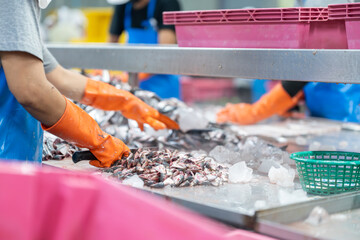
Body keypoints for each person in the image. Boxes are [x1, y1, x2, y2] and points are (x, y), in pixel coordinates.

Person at [0, 0, 179, 168]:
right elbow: (32, 90)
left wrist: (124, 100)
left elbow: (58, 76)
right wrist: (99, 141)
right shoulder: (15, 4)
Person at [217, 0, 360, 125]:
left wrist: (257, 111)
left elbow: (314, 59)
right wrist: (293, 97)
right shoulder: (302, 3)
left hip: (349, 117)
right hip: (322, 117)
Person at [108, 0, 181, 99]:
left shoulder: (166, 3)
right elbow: (110, 48)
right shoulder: (123, 5)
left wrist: (134, 75)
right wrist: (102, 71)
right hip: (132, 86)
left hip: (162, 87)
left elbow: (165, 54)